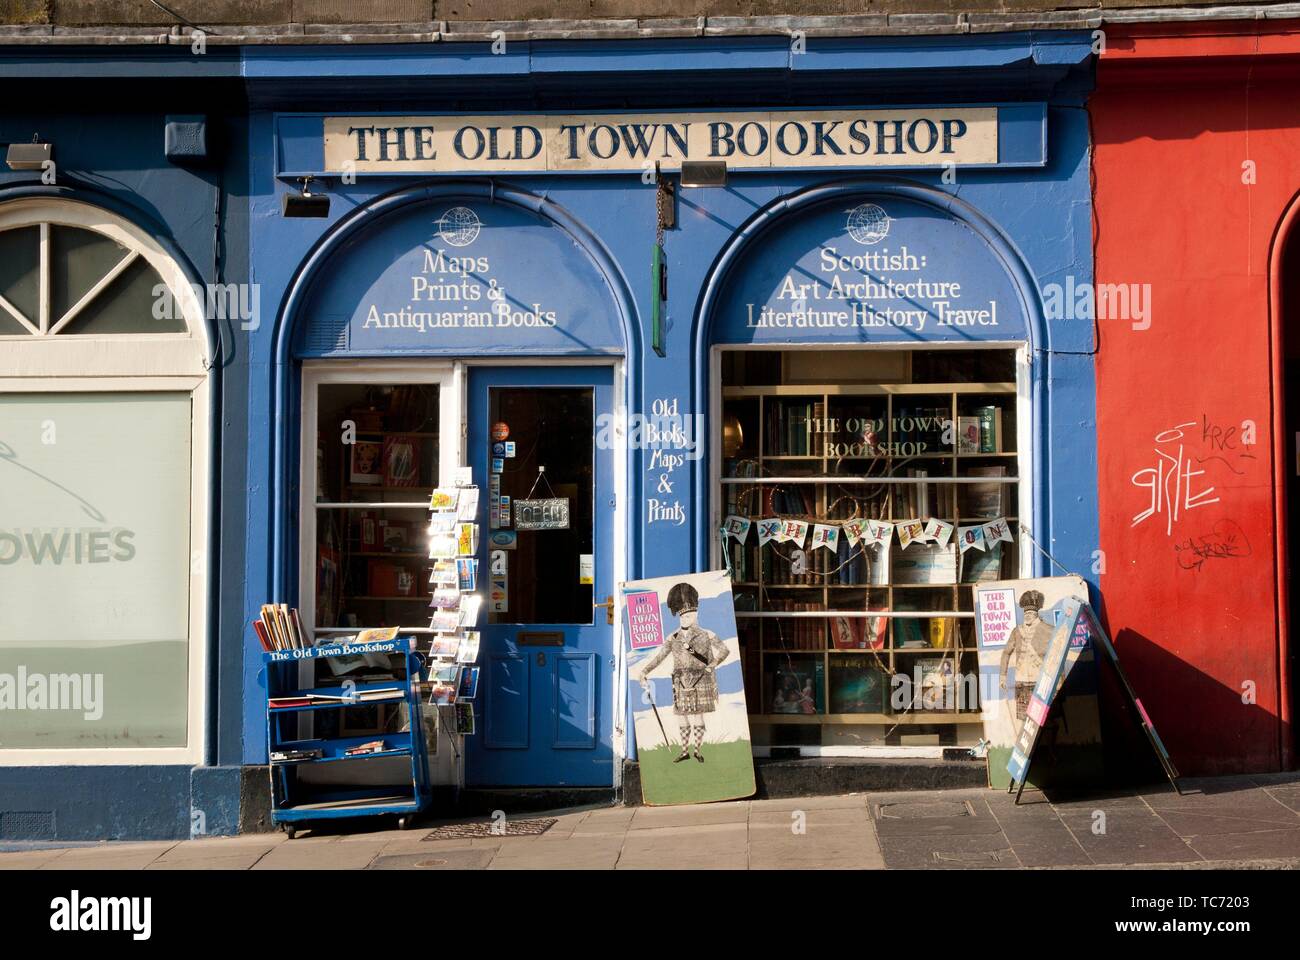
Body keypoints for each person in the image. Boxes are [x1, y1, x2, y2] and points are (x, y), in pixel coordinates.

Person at [634, 582, 730, 763]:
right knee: (682, 716)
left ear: (696, 613)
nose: (686, 617)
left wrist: (713, 664)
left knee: (698, 715)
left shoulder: (707, 634)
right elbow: (659, 657)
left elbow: (724, 650)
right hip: (680, 681)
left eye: (689, 614)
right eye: (683, 615)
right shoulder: (673, 638)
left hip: (701, 678)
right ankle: (685, 751)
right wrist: (644, 671)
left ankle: (697, 751)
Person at [998, 589, 1054, 722]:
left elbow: (1056, 655)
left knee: (1043, 718)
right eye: (1026, 613)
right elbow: (1006, 653)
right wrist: (1002, 676)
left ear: (1036, 614)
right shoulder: (1017, 631)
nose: (1027, 615)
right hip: (1021, 681)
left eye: (1031, 613)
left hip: (1040, 680)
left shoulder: (1049, 629)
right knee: (1025, 718)